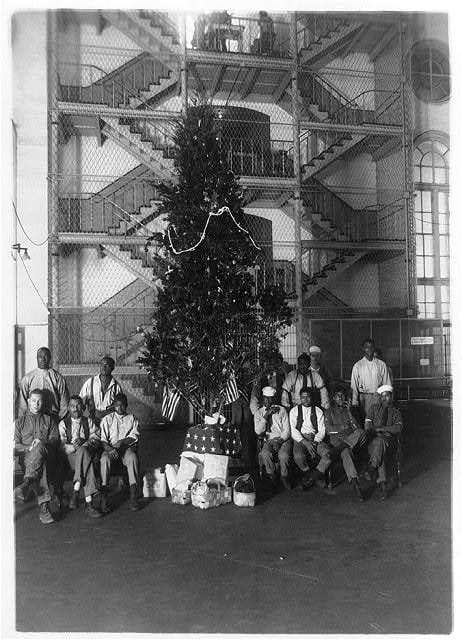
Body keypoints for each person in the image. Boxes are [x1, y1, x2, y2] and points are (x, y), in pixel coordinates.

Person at [14, 389, 59, 524]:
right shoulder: (19, 422)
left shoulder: (48, 420)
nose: (36, 404)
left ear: (43, 402)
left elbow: (55, 441)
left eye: (39, 401)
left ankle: (26, 484)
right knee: (41, 465)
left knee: (40, 452)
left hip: (46, 454)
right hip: (27, 458)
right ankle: (44, 508)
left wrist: (42, 442)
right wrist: (29, 448)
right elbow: (14, 446)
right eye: (33, 400)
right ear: (28, 401)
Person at [57, 395, 102, 518]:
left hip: (85, 454)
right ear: (69, 408)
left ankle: (76, 491)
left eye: (78, 406)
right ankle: (89, 503)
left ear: (82, 407)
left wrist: (84, 442)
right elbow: (62, 445)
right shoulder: (63, 424)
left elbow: (97, 438)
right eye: (72, 406)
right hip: (71, 458)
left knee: (84, 452)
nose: (75, 409)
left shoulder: (89, 421)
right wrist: (74, 447)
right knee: (87, 461)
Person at [324, 387, 367, 501]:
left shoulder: (349, 410)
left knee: (361, 432)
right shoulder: (329, 411)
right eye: (338, 395)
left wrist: (349, 411)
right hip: (337, 440)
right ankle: (355, 482)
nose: (341, 398)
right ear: (333, 398)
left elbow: (357, 428)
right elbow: (328, 430)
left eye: (342, 396)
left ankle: (341, 448)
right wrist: (340, 428)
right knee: (346, 451)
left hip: (351, 439)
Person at [99, 393, 140, 512]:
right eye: (117, 405)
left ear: (126, 405)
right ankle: (104, 496)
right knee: (104, 459)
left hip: (125, 449)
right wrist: (110, 449)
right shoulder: (107, 419)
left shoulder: (132, 418)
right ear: (113, 406)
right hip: (110, 449)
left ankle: (133, 495)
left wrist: (122, 442)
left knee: (132, 457)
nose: (120, 408)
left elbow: (134, 436)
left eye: (122, 405)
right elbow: (103, 440)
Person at [364, 384, 403, 500]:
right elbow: (367, 426)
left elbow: (398, 428)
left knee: (380, 444)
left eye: (388, 396)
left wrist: (382, 429)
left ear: (391, 397)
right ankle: (382, 486)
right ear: (380, 397)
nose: (386, 398)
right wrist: (376, 431)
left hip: (389, 442)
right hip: (373, 441)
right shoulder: (373, 409)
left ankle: (372, 468)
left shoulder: (395, 412)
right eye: (383, 396)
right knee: (379, 447)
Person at [289, 387, 330, 490]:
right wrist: (305, 442)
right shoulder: (294, 411)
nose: (305, 399)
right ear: (300, 398)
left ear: (311, 398)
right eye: (303, 397)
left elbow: (322, 430)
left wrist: (315, 442)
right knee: (298, 456)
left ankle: (314, 476)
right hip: (300, 438)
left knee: (328, 454)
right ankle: (308, 473)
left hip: (316, 438)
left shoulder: (318, 411)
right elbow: (293, 430)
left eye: (308, 397)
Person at [254, 386, 291, 490]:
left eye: (270, 398)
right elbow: (258, 431)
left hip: (282, 439)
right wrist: (266, 415)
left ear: (273, 399)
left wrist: (280, 441)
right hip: (268, 440)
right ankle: (272, 476)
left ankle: (284, 477)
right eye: (265, 398)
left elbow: (287, 430)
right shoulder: (258, 413)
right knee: (265, 453)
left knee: (284, 455)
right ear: (262, 398)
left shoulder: (282, 410)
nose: (267, 400)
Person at [17, 347, 69, 420]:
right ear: (37, 358)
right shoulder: (28, 378)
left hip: (53, 417)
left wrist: (58, 419)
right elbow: (22, 403)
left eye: (46, 356)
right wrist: (26, 420)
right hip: (33, 419)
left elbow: (64, 404)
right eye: (40, 357)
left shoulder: (58, 378)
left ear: (50, 358)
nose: (43, 359)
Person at [350, 339, 392, 420]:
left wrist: (387, 399)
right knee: (366, 420)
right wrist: (354, 401)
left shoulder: (381, 364)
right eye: (367, 347)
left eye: (371, 347)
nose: (369, 349)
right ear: (363, 349)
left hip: (378, 397)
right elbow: (354, 385)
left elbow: (387, 384)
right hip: (364, 398)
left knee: (379, 420)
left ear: (374, 348)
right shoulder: (358, 365)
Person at [79, 356, 122, 426]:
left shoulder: (116, 387)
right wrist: (85, 418)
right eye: (102, 365)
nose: (104, 367)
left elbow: (120, 407)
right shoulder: (90, 382)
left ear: (112, 368)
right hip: (92, 422)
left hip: (110, 423)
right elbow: (80, 402)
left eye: (107, 365)